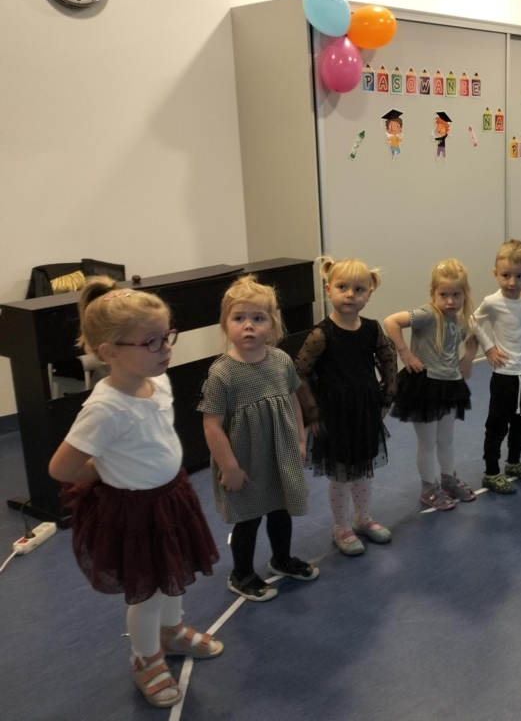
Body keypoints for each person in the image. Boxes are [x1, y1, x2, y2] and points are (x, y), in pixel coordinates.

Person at [49, 278, 220, 709]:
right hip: (135, 511)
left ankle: (172, 631)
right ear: (109, 352)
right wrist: (104, 469)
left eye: (167, 336)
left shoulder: (157, 382)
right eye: (151, 342)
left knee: (175, 569)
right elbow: (62, 467)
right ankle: (146, 658)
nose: (166, 348)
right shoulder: (104, 408)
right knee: (148, 591)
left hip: (171, 497)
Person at [199, 276, 315, 604]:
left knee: (280, 510)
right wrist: (229, 467)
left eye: (258, 318)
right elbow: (211, 426)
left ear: (273, 324)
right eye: (239, 318)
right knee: (248, 518)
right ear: (226, 325)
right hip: (244, 461)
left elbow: (292, 401)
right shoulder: (222, 374)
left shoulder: (280, 361)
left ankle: (282, 558)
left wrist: (300, 440)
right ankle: (242, 574)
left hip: (279, 455)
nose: (248, 326)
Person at [295, 257, 397, 557]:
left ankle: (362, 517)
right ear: (328, 289)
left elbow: (388, 360)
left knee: (363, 469)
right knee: (340, 474)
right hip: (334, 413)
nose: (350, 295)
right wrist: (313, 413)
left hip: (365, 408)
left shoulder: (372, 329)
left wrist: (386, 398)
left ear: (369, 293)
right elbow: (299, 374)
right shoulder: (321, 334)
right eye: (342, 287)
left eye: (359, 289)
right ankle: (341, 526)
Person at [384, 259, 478, 510]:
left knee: (446, 439)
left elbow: (473, 337)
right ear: (433, 293)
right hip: (424, 386)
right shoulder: (427, 315)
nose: (450, 301)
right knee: (428, 442)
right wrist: (404, 353)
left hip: (449, 385)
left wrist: (468, 359)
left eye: (456, 295)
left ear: (465, 293)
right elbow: (391, 322)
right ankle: (428, 487)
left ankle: (448, 480)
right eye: (443, 294)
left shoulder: (461, 320)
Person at [473, 240, 521, 494]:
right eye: (505, 275)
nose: (512, 282)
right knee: (497, 425)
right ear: (495, 273)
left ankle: (514, 462)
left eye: (519, 276)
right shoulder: (492, 301)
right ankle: (491, 472)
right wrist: (489, 348)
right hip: (505, 375)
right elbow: (473, 322)